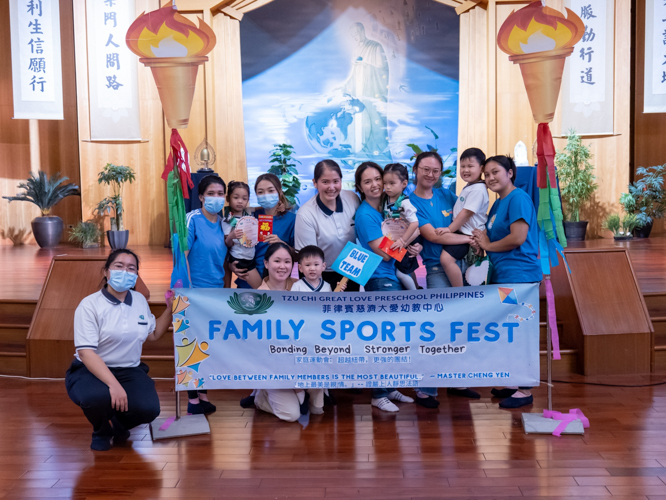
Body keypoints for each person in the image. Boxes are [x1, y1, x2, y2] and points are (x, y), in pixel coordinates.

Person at [66, 249, 173, 451]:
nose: (125, 271)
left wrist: (170, 309)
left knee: (149, 409)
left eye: (131, 268)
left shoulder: (139, 301)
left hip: (129, 369)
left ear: (136, 276)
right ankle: (101, 430)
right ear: (106, 272)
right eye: (119, 266)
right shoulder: (89, 305)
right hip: (91, 369)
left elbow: (153, 334)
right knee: (95, 397)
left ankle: (118, 424)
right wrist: (114, 385)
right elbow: (86, 352)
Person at [409, 151, 480, 401]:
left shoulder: (447, 195)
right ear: (415, 169)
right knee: (437, 329)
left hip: (463, 264)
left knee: (459, 328)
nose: (430, 175)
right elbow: (433, 236)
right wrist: (470, 239)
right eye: (425, 169)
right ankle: (427, 389)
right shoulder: (411, 202)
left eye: (436, 171)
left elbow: (464, 220)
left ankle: (458, 382)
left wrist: (469, 238)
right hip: (437, 269)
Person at [472, 155, 542, 409]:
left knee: (521, 330)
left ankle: (525, 389)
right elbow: (491, 237)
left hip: (520, 276)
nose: (490, 178)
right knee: (511, 330)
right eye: (487, 174)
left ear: (510, 173)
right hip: (503, 276)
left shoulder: (518, 198)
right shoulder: (497, 205)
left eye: (495, 172)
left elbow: (518, 237)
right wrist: (481, 241)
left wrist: (488, 244)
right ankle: (515, 381)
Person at [354, 161, 419, 412]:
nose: (374, 184)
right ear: (360, 186)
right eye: (367, 181)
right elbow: (385, 254)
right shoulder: (365, 214)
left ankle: (389, 386)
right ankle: (378, 393)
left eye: (377, 179)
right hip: (379, 279)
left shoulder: (387, 208)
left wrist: (413, 245)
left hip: (392, 277)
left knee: (393, 337)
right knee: (383, 340)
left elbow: (399, 241)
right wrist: (406, 242)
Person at [245, 243, 323, 420]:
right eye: (277, 261)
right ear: (266, 264)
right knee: (291, 415)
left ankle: (305, 393)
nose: (282, 266)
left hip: (303, 360)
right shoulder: (256, 299)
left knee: (317, 408)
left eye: (287, 261)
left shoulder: (302, 286)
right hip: (273, 367)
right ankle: (261, 396)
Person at [184, 174, 228, 414]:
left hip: (216, 291)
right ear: (201, 197)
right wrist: (189, 291)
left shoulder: (223, 223)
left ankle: (203, 394)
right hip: (195, 292)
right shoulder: (192, 220)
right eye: (211, 194)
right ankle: (192, 401)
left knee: (206, 345)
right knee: (191, 344)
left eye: (220, 194)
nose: (216, 198)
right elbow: (183, 255)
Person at [295, 160, 361, 291]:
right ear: (315, 183)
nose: (331, 187)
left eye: (336, 181)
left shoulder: (352, 199)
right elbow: (307, 258)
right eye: (325, 182)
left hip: (352, 270)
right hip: (323, 274)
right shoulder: (305, 214)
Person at [231, 174, 297, 290]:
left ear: (279, 191)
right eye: (260, 192)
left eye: (271, 190)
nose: (266, 195)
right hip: (247, 281)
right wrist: (231, 265)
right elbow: (233, 245)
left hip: (278, 284)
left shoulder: (292, 220)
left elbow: (298, 255)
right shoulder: (249, 217)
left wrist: (282, 243)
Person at [435, 148, 489, 287]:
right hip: (464, 234)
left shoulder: (478, 189)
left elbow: (466, 213)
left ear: (481, 168)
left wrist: (449, 229)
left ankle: (459, 291)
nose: (465, 170)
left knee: (446, 259)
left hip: (467, 236)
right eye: (463, 166)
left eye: (470, 166)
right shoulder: (471, 187)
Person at [382, 163, 421, 290]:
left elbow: (415, 223)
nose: (387, 187)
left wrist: (403, 241)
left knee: (401, 273)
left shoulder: (404, 202)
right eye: (385, 183)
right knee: (403, 270)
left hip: (405, 240)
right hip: (395, 240)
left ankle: (415, 295)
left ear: (404, 184)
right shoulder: (386, 199)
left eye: (392, 183)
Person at [224, 181, 256, 280]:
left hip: (250, 256)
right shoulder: (228, 220)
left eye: (244, 198)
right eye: (236, 197)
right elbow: (228, 244)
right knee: (260, 287)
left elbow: (261, 208)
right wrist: (231, 236)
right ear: (228, 198)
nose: (240, 201)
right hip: (240, 259)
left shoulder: (248, 213)